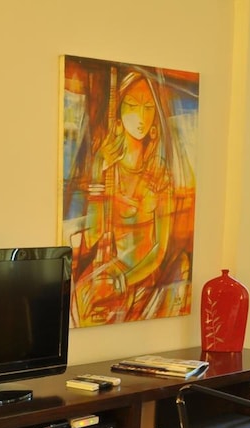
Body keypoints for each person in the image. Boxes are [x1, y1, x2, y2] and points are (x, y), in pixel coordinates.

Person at [73, 69, 176, 326]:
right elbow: (93, 236)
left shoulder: (160, 175)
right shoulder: (108, 168)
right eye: (132, 105)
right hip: (108, 272)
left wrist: (125, 280)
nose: (141, 116)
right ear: (118, 113)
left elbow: (159, 250)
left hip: (143, 279)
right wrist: (98, 171)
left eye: (148, 108)